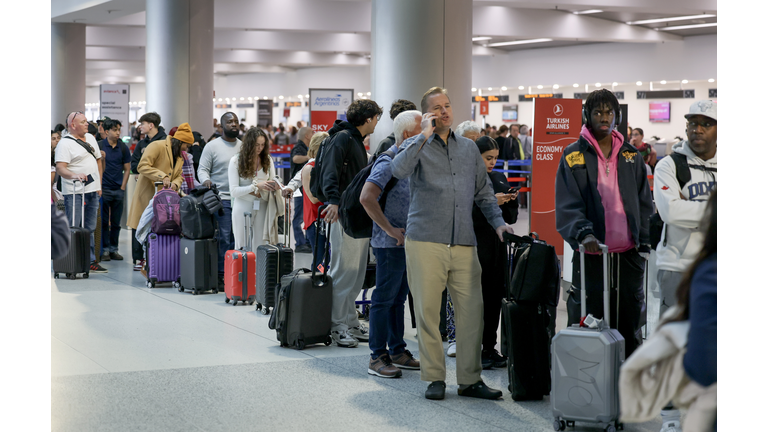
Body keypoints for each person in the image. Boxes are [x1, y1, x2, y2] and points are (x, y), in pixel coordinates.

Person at [390, 87, 515, 401]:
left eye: (447, 106)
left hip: (464, 241)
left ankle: (470, 380)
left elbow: (484, 194)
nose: (444, 111)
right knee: (429, 314)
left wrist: (499, 224)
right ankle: (434, 378)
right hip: (425, 240)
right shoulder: (415, 146)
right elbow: (397, 170)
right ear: (427, 114)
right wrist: (422, 136)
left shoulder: (469, 150)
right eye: (437, 108)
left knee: (472, 312)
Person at [555, 89, 653, 359]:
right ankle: (588, 382)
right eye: (598, 112)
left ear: (617, 117)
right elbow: (568, 203)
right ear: (587, 116)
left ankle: (629, 382)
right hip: (592, 254)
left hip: (629, 257)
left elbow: (645, 203)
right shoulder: (574, 155)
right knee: (590, 318)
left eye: (609, 112)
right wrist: (583, 233)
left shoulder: (632, 156)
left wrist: (644, 239)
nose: (604, 117)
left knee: (630, 321)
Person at [652, 100, 717, 432]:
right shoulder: (669, 164)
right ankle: (670, 417)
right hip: (676, 266)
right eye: (693, 122)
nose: (697, 129)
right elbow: (670, 212)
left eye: (706, 123)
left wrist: (694, 211)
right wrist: (715, 213)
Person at [360, 110, 423, 379]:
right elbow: (367, 197)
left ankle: (397, 349)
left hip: (407, 242)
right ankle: (377, 355)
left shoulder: (412, 162)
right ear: (408, 135)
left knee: (398, 298)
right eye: (423, 129)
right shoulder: (389, 161)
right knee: (384, 299)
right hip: (389, 243)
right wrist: (390, 230)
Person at [319, 99, 383, 348]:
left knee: (356, 273)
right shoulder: (343, 138)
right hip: (343, 212)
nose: (377, 122)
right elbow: (330, 172)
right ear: (368, 119)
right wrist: (333, 201)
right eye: (376, 117)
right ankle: (337, 326)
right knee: (343, 271)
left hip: (356, 213)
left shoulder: (355, 140)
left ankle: (349, 320)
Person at [472, 136, 519, 369]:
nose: (492, 163)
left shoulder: (498, 177)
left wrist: (510, 200)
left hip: (497, 249)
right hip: (475, 248)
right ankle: (473, 349)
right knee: (476, 302)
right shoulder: (467, 179)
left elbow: (511, 218)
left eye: (495, 159)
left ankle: (490, 348)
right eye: (487, 158)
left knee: (494, 299)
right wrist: (492, 203)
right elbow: (466, 215)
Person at [127, 122, 193, 275]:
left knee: (159, 228)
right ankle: (140, 260)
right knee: (142, 224)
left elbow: (179, 177)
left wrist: (175, 185)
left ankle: (154, 261)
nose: (186, 149)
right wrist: (161, 176)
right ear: (180, 142)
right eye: (186, 145)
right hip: (147, 193)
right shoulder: (157, 146)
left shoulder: (180, 157)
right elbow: (142, 166)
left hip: (165, 201)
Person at [55, 112, 107, 274]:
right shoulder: (64, 144)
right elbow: (61, 168)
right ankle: (72, 259)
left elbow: (98, 160)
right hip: (75, 191)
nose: (87, 124)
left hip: (92, 190)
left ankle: (90, 260)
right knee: (75, 225)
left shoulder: (91, 138)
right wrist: (74, 175)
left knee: (90, 227)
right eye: (83, 122)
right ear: (73, 125)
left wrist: (99, 184)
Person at [198, 112, 243, 289]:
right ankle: (221, 274)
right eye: (230, 121)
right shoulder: (212, 146)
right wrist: (206, 180)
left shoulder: (243, 146)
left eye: (236, 121)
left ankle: (236, 272)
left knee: (238, 238)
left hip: (240, 198)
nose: (234, 124)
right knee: (225, 237)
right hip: (221, 199)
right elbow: (202, 169)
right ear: (221, 126)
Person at [228, 127, 281, 250]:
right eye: (257, 145)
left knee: (261, 245)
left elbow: (273, 179)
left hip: (262, 204)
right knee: (241, 246)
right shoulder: (236, 160)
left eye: (262, 145)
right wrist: (256, 186)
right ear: (249, 144)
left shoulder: (267, 159)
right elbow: (234, 191)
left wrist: (276, 185)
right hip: (243, 205)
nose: (260, 148)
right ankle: (241, 270)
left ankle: (258, 270)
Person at [130, 112, 167, 271]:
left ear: (151, 125)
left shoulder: (165, 141)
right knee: (138, 220)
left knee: (161, 221)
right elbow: (134, 165)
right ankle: (138, 258)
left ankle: (156, 256)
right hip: (144, 186)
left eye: (143, 124)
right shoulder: (141, 144)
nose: (140, 127)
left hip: (162, 186)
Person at [98, 118, 131, 261]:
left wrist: (123, 186)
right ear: (106, 132)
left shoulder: (123, 147)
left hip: (118, 189)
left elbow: (127, 168)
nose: (118, 133)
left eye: (119, 130)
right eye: (115, 130)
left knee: (116, 222)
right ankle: (104, 250)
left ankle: (114, 249)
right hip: (103, 189)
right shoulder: (99, 146)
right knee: (104, 221)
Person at [300, 132, 330, 270]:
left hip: (329, 217)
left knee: (328, 259)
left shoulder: (327, 166)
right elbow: (312, 197)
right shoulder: (309, 168)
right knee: (320, 260)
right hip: (316, 219)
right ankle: (315, 287)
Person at [288, 127, 314, 253]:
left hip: (305, 187)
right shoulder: (299, 147)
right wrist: (309, 158)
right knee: (298, 217)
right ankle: (300, 243)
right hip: (298, 188)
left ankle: (307, 242)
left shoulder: (305, 147)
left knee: (306, 215)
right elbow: (295, 159)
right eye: (312, 133)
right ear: (307, 136)